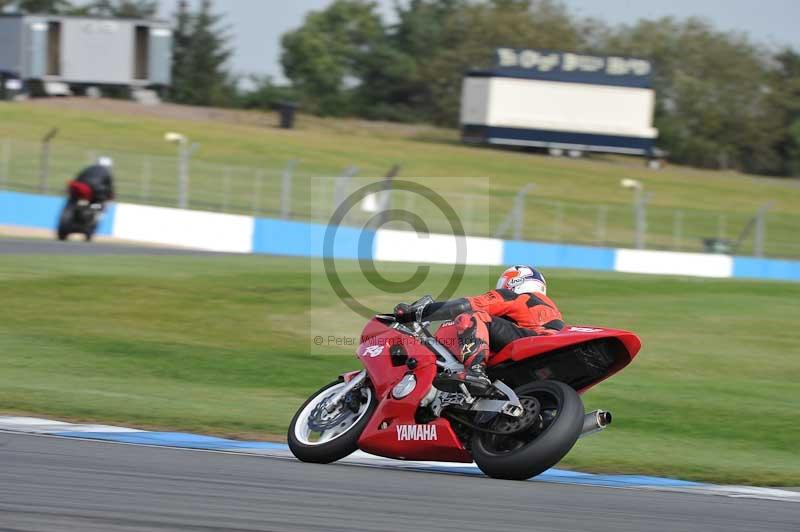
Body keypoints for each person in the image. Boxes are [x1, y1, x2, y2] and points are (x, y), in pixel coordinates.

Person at [394, 265, 564, 395]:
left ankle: (476, 372)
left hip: (532, 341)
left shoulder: (516, 296)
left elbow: (464, 305)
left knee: (471, 315)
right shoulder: (547, 309)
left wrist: (418, 313)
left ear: (513, 282)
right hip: (546, 354)